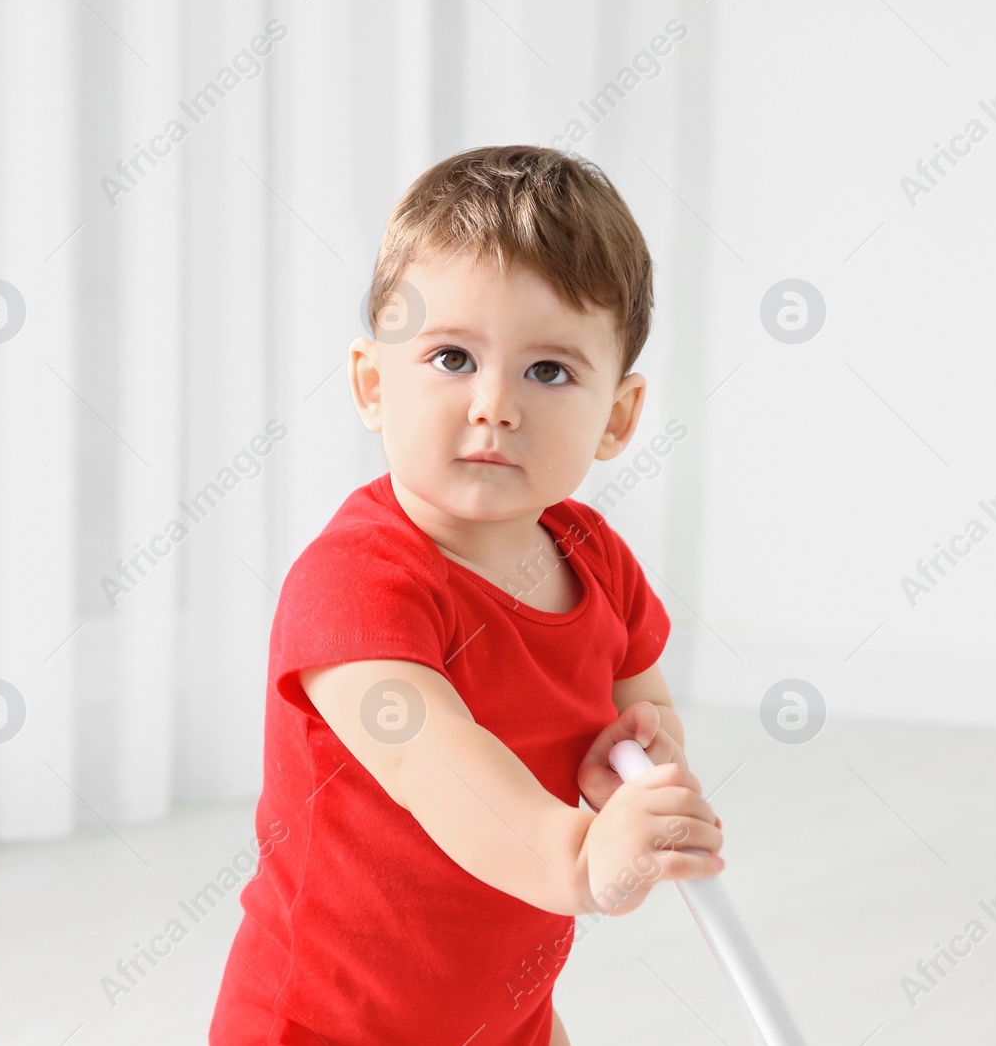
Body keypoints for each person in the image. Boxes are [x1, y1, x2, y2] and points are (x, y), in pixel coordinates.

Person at [209, 144, 725, 1045]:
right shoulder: (355, 585)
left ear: (618, 416)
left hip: (505, 1012)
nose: (495, 405)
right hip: (327, 1026)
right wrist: (582, 856)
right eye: (452, 357)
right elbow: (434, 763)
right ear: (374, 383)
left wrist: (640, 764)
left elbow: (639, 697)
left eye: (549, 371)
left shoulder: (595, 559)